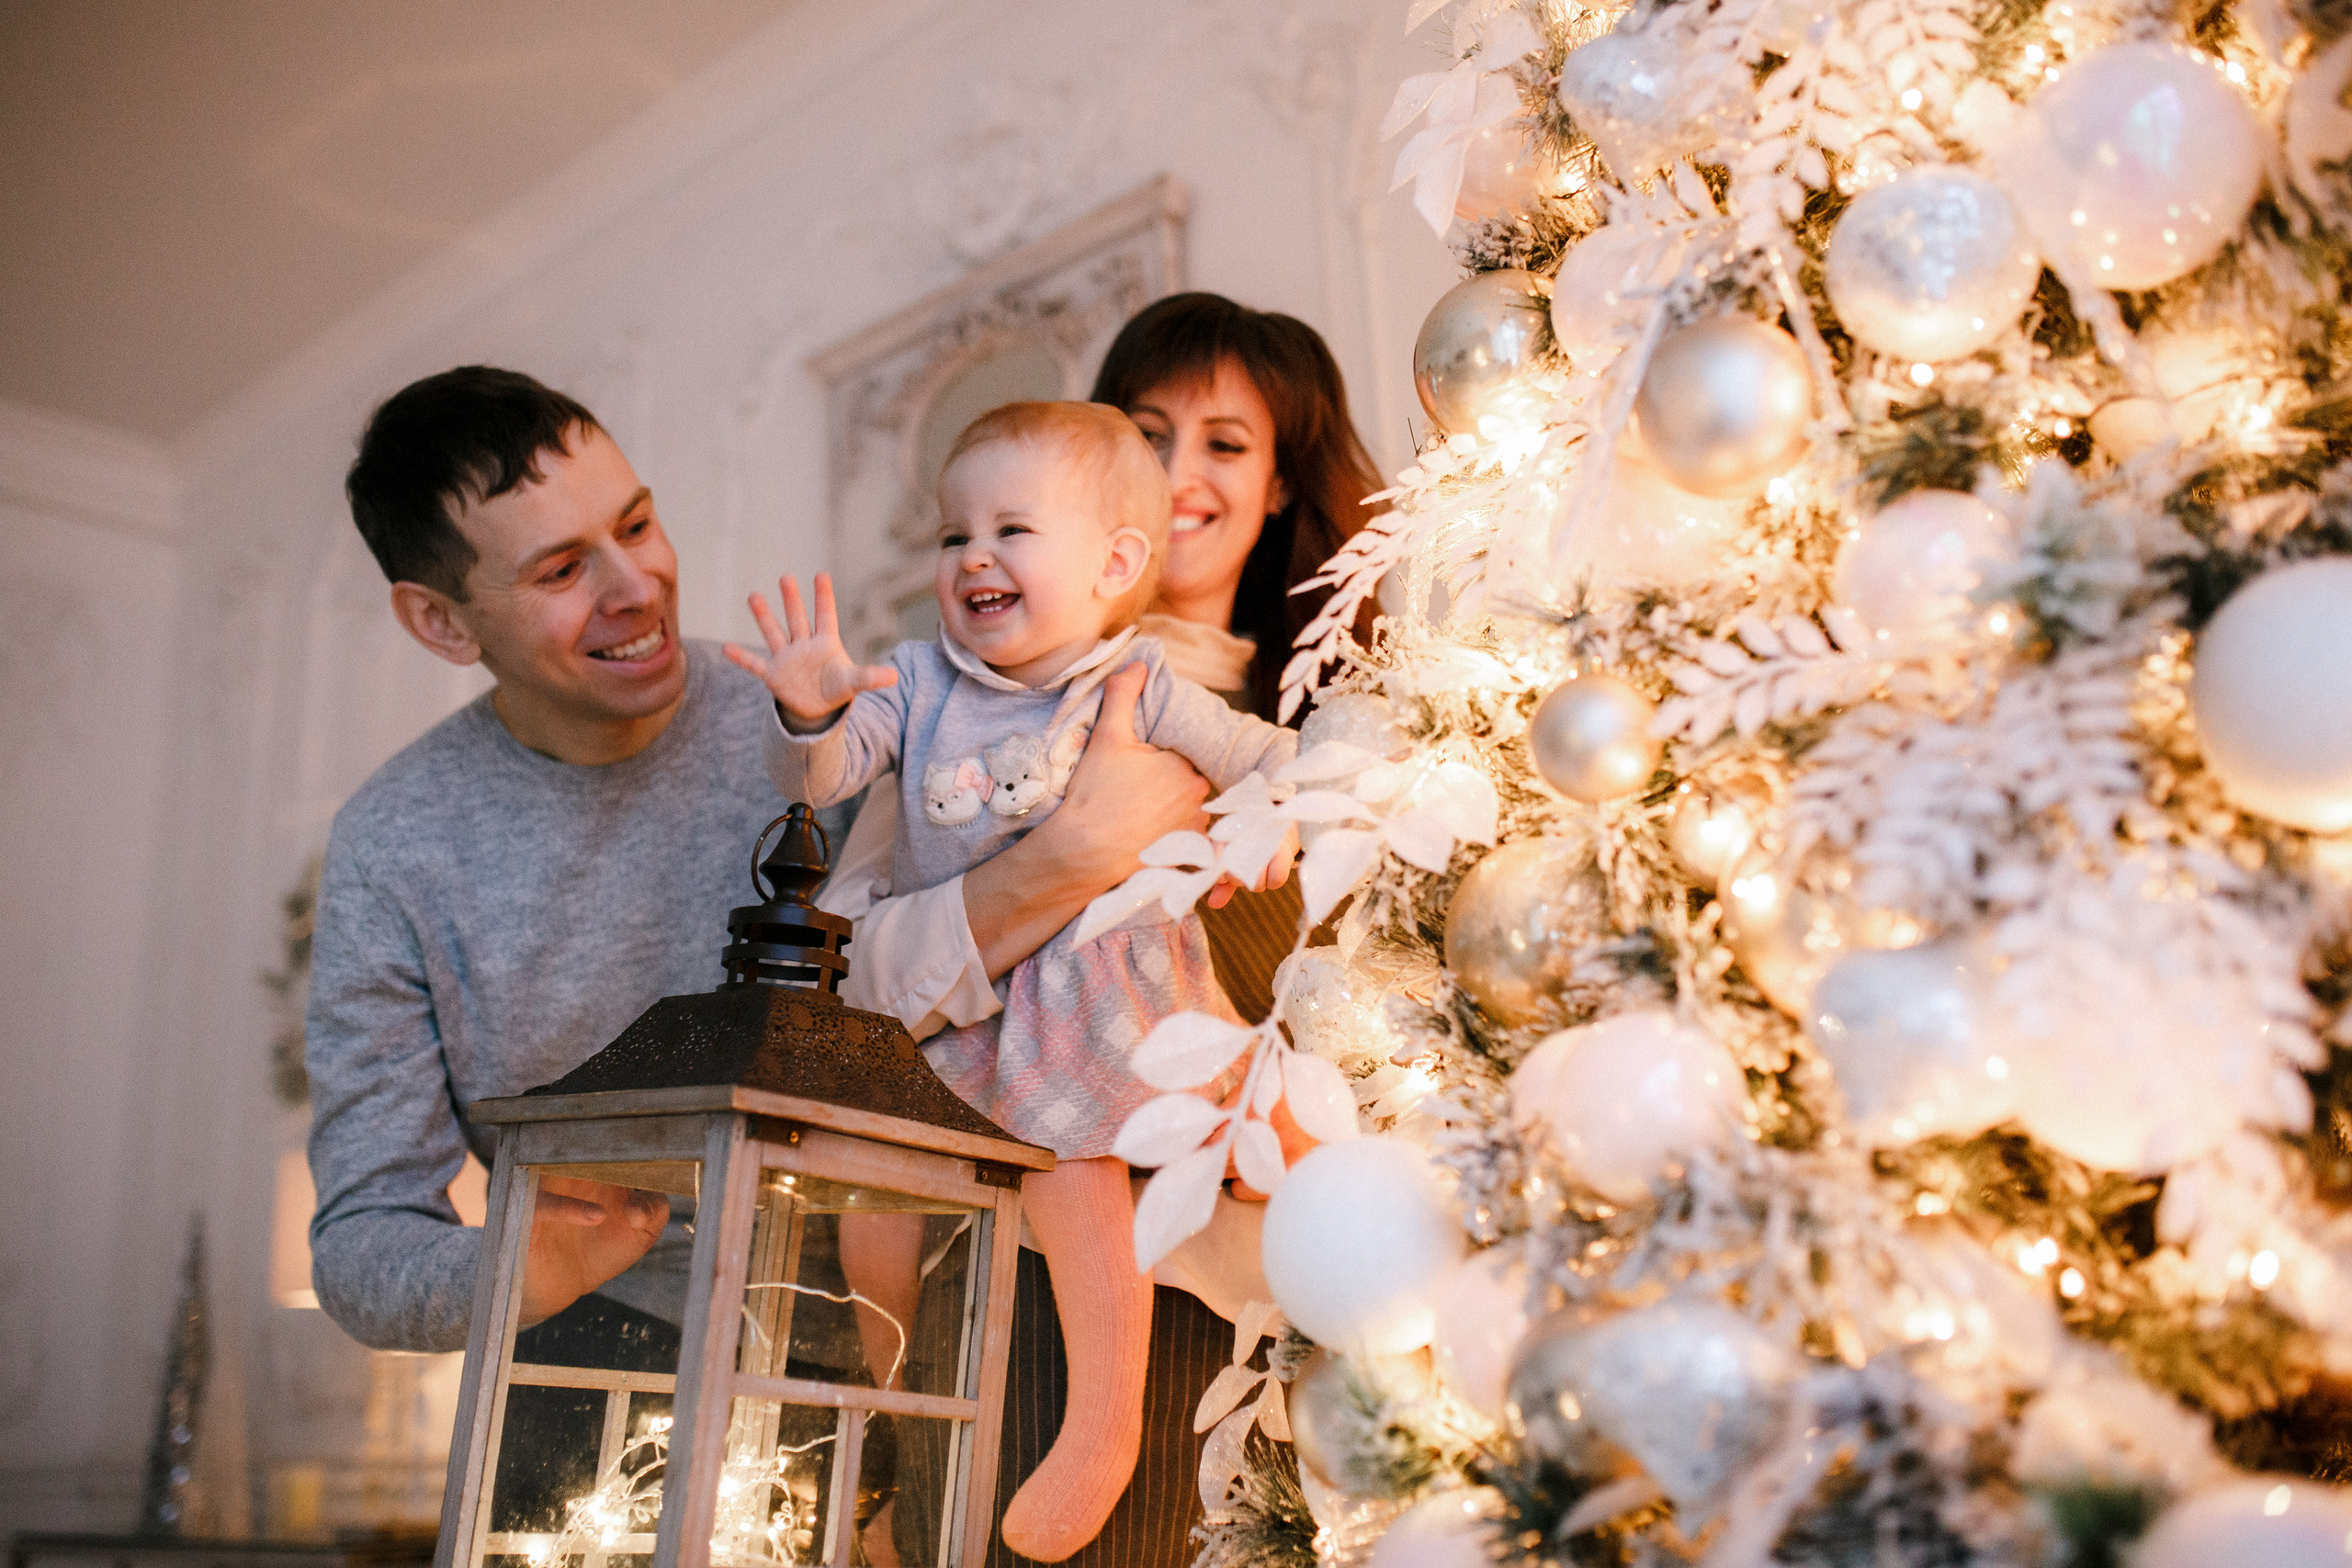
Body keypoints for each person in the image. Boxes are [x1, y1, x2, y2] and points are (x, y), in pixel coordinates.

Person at [301, 368, 1209, 1370]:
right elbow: (363, 1232)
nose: (635, 587)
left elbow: (933, 996)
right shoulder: (393, 845)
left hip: (921, 1325)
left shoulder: (819, 720)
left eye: (637, 525)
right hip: (606, 1350)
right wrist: (527, 1265)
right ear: (442, 622)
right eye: (562, 572)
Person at [820, 294, 1384, 1568]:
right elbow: (844, 988)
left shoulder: (1343, 735)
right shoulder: (962, 711)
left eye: (1226, 442)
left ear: (1282, 480)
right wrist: (1071, 854)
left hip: (1285, 1315)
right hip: (1029, 1308)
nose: (1182, 472)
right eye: (1147, 428)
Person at [731, 400, 1300, 1561]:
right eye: (953, 537)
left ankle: (1147, 1391)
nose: (974, 556)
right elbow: (831, 774)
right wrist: (810, 706)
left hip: (1118, 991)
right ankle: (905, 1412)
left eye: (1010, 530)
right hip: (987, 1014)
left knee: (1147, 1143)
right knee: (888, 1193)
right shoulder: (914, 683)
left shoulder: (1135, 682)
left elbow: (1266, 760)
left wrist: (1269, 829)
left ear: (1113, 565)